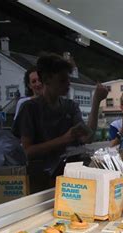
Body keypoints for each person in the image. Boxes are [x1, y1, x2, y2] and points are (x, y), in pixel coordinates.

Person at [12, 53, 92, 190]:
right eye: (62, 80)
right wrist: (64, 139)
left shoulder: (70, 106)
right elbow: (27, 151)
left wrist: (96, 102)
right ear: (47, 80)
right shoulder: (30, 109)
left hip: (69, 179)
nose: (68, 84)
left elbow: (87, 137)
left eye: (68, 80)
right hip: (41, 182)